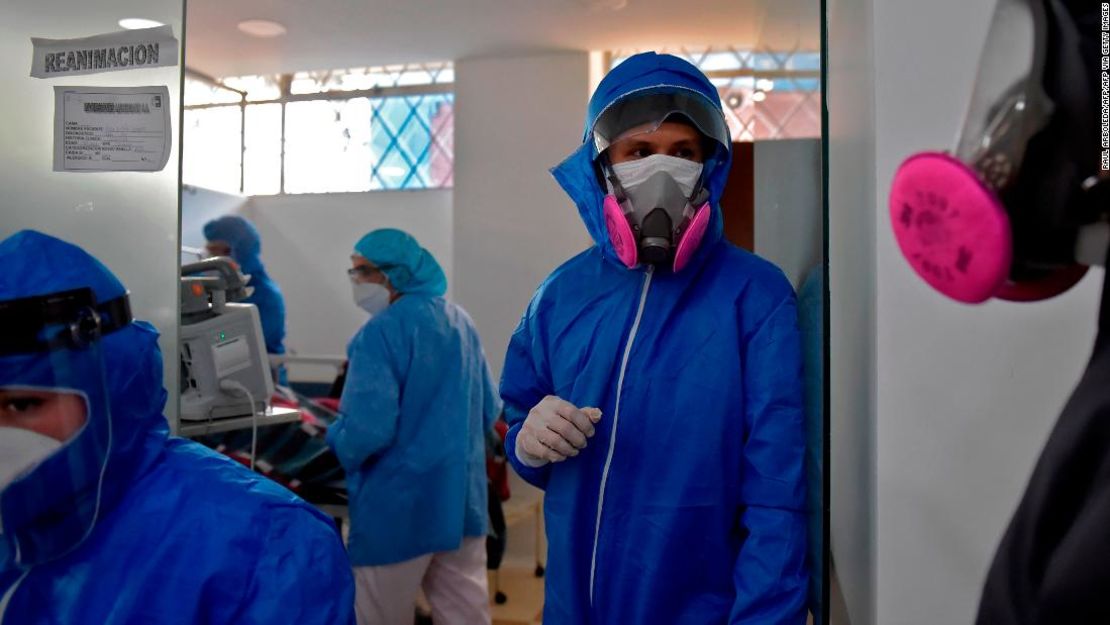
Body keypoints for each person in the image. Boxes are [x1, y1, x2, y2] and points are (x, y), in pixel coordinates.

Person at [500, 52, 808, 624]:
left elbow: (777, 499)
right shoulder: (560, 295)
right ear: (603, 167)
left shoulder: (755, 297)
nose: (662, 169)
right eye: (639, 152)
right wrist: (526, 440)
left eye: (683, 153)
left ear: (710, 166)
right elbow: (523, 429)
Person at [0, 230, 354, 624]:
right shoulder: (17, 526)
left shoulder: (265, 548)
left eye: (22, 404)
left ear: (111, 390)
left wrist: (344, 437)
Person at [327, 228, 500, 625]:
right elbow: (490, 409)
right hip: (460, 502)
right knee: (466, 614)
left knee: (380, 615)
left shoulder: (379, 334)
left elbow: (367, 433)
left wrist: (335, 435)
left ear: (390, 275)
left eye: (361, 273)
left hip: (399, 508)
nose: (356, 283)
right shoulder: (461, 322)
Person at [203, 215, 287, 383]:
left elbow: (249, 344)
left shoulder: (266, 296)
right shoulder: (204, 287)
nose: (214, 259)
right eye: (211, 251)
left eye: (222, 251)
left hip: (259, 380)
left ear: (243, 252)